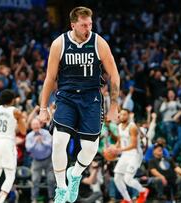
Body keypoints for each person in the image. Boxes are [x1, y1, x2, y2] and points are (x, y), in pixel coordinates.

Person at [39, 6, 120, 203]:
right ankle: (60, 188)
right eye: (84, 25)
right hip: (66, 98)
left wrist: (114, 105)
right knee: (59, 141)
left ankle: (74, 175)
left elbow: (114, 75)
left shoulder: (98, 42)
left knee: (91, 149)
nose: (88, 28)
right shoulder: (59, 44)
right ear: (73, 24)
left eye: (90, 24)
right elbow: (50, 78)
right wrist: (43, 107)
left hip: (91, 98)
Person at [112, 109, 149, 203]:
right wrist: (113, 148)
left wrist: (119, 150)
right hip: (125, 154)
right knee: (117, 178)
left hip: (135, 155)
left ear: (128, 116)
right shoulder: (119, 126)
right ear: (119, 116)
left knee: (127, 179)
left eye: (125, 115)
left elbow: (133, 145)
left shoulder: (132, 127)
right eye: (121, 115)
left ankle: (143, 191)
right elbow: (119, 141)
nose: (123, 116)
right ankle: (128, 200)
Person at [26, 118, 55, 203]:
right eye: (33, 125)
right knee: (35, 180)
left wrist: (42, 141)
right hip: (36, 160)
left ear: (40, 124)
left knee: (51, 179)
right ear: (31, 126)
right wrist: (35, 142)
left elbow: (50, 145)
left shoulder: (46, 133)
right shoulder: (29, 136)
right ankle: (34, 199)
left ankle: (51, 198)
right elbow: (28, 148)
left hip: (48, 159)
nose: (35, 126)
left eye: (36, 124)